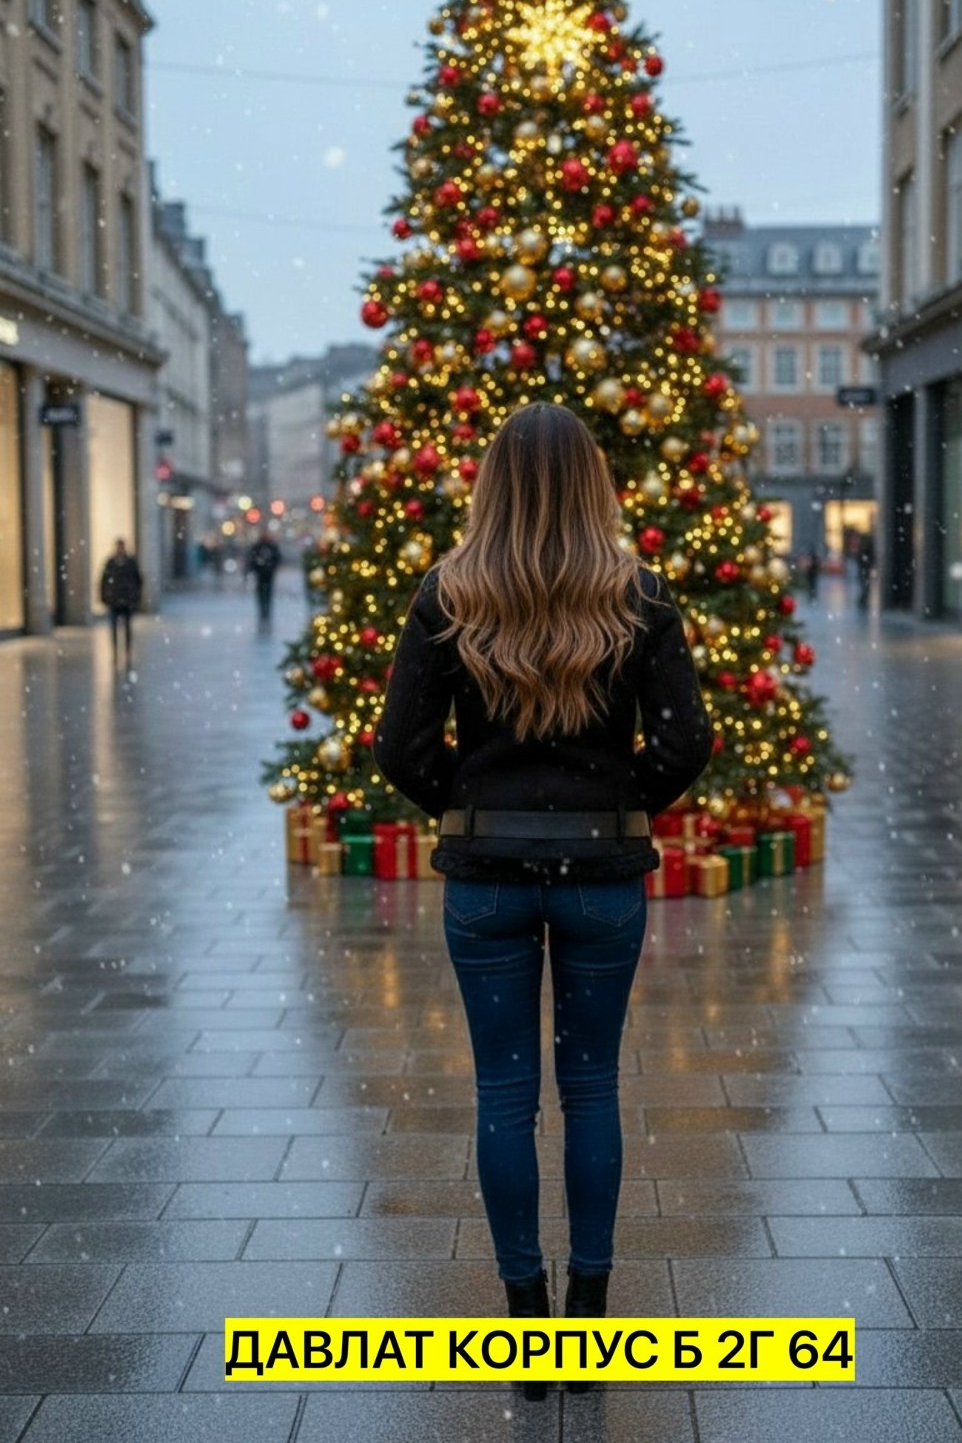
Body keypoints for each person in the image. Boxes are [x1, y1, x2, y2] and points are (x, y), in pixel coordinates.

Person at [372, 403, 712, 1402]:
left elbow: (398, 746)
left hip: (487, 883)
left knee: (504, 1095)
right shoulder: (640, 596)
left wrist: (472, 802)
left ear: (492, 484)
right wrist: (619, 799)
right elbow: (688, 741)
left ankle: (527, 1325)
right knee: (593, 1088)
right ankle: (590, 1318)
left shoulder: (449, 593)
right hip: (603, 877)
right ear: (593, 485)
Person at [99, 538, 143, 674]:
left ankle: (127, 652)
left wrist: (135, 596)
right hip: (114, 600)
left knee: (127, 628)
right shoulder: (110, 563)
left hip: (127, 600)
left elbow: (138, 580)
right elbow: (103, 581)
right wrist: (105, 597)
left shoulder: (130, 562)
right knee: (114, 628)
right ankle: (115, 652)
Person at [246, 529, 282, 625]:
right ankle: (263, 609)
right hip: (261, 574)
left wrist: (271, 567)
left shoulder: (270, 547)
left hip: (267, 573)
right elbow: (251, 559)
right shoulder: (258, 547)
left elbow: (277, 558)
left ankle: (266, 609)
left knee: (267, 591)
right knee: (261, 592)